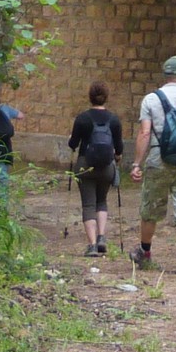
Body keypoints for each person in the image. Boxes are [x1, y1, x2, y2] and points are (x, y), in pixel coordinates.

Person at [130, 55, 176, 274]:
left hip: (158, 159)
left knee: (151, 209)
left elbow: (144, 133)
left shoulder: (151, 99)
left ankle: (145, 253)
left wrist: (136, 163)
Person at [67, 82, 124, 256]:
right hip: (106, 166)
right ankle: (101, 237)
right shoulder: (114, 119)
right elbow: (119, 148)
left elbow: (73, 144)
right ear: (106, 97)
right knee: (102, 201)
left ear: (90, 97)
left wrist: (72, 139)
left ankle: (91, 245)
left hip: (85, 165)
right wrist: (117, 157)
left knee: (88, 204)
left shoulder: (82, 118)